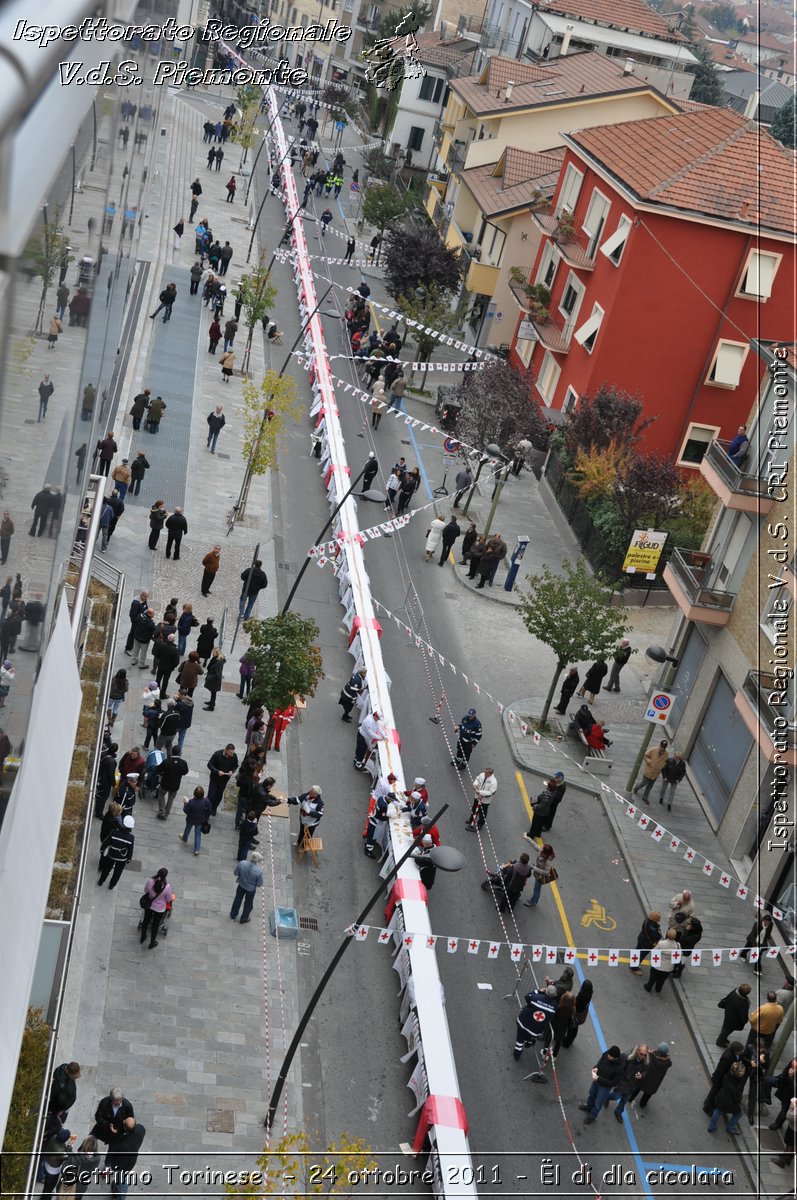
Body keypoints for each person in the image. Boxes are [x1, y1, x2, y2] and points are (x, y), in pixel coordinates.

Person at [579, 1046, 627, 1123]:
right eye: (608, 1054)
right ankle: (588, 1106)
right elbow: (600, 1061)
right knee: (592, 1094)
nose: (608, 1056)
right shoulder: (608, 1053)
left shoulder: (619, 1068)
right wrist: (596, 1067)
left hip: (605, 1087)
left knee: (598, 1102)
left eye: (610, 1056)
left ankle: (592, 1116)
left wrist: (598, 1078)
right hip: (597, 1079)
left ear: (615, 1058)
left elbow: (612, 1083)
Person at [105, 1118, 146, 1199]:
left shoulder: (122, 1145)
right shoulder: (140, 1129)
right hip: (132, 1159)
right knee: (120, 1179)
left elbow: (118, 1162)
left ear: (125, 1128)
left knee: (122, 1182)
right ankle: (116, 1186)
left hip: (124, 1165)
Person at [514, 986, 558, 1059]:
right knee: (529, 1035)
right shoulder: (554, 1006)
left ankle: (517, 1054)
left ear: (546, 991)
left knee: (520, 1039)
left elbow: (527, 997)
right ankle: (529, 1042)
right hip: (535, 1030)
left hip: (523, 1023)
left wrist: (538, 991)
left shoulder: (536, 997)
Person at [707, 1060, 747, 1134]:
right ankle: (730, 1128)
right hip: (728, 1104)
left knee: (718, 1111)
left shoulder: (727, 1075)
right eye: (743, 1072)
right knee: (739, 1113)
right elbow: (737, 1098)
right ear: (739, 1074)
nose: (744, 1073)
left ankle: (711, 1126)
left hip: (720, 1098)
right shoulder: (737, 1085)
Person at [628, 1042, 672, 1110]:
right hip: (654, 1083)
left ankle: (630, 1098)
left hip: (644, 1078)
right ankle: (642, 1104)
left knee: (637, 1088)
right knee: (647, 1094)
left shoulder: (650, 1056)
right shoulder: (667, 1063)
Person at [139, 868, 173, 947]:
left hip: (149, 905)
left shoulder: (150, 881)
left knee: (145, 921)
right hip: (160, 909)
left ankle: (143, 936)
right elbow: (168, 899)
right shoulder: (167, 887)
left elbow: (145, 890)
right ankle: (152, 942)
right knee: (155, 925)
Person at [97, 815, 135, 887]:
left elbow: (107, 842)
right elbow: (130, 850)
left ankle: (101, 881)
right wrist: (129, 858)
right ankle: (112, 885)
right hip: (122, 857)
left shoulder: (114, 832)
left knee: (107, 869)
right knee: (118, 872)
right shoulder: (131, 838)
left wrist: (102, 849)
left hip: (111, 854)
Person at [59, 1135, 100, 1199]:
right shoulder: (97, 1159)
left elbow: (64, 1170)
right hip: (81, 1187)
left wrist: (68, 1158)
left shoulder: (76, 1159)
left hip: (69, 1187)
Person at [230, 850, 264, 923]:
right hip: (250, 890)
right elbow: (259, 884)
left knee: (237, 900)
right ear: (258, 861)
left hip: (241, 885)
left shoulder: (242, 863)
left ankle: (233, 914)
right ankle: (244, 918)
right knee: (248, 904)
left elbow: (235, 873)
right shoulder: (259, 871)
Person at [643, 927, 680, 993]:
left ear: (667, 934)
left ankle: (649, 987)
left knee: (653, 977)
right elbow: (677, 955)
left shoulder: (661, 943)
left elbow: (654, 951)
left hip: (658, 965)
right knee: (662, 979)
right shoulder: (678, 945)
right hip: (668, 967)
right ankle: (658, 988)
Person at [156, 748, 189, 819]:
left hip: (165, 783)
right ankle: (166, 814)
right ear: (180, 753)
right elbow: (185, 772)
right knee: (171, 799)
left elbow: (158, 769)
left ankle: (161, 811)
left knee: (161, 795)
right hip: (175, 785)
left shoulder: (166, 761)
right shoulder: (183, 763)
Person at [206, 743, 238, 814]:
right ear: (226, 750)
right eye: (230, 752)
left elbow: (236, 765)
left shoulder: (234, 756)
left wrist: (231, 771)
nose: (232, 754)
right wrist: (217, 771)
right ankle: (207, 809)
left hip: (224, 780)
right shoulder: (217, 754)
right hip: (214, 778)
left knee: (219, 795)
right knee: (211, 795)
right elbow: (209, 765)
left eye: (233, 752)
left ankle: (214, 808)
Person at [561, 979, 593, 1049]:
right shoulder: (589, 995)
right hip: (581, 1015)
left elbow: (576, 1004)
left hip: (576, 1014)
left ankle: (566, 1042)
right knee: (574, 1028)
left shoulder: (581, 997)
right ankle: (570, 1040)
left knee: (571, 1027)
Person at [40, 1126, 74, 1192]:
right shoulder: (60, 1151)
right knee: (50, 1187)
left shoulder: (54, 1137)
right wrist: (69, 1147)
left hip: (47, 1162)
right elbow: (67, 1157)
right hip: (53, 1170)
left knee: (47, 1184)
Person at [523, 843, 557, 907]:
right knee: (537, 889)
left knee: (536, 890)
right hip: (538, 874)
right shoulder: (543, 853)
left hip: (539, 877)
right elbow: (535, 846)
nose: (541, 850)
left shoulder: (547, 862)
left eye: (543, 850)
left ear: (545, 853)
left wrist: (535, 868)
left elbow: (546, 872)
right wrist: (527, 838)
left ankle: (533, 902)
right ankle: (534, 901)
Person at [180, 786, 211, 854]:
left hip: (190, 819)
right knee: (198, 834)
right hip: (200, 821)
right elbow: (209, 810)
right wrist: (206, 817)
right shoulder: (206, 801)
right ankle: (196, 849)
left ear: (194, 793)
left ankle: (185, 838)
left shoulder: (191, 802)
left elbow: (186, 811)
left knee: (187, 829)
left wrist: (185, 803)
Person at [771, 1096, 797, 1169]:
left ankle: (782, 1161)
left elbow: (790, 1116)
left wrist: (792, 1107)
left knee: (790, 1145)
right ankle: (788, 1159)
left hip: (794, 1129)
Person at [203, 647, 225, 711]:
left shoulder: (218, 662)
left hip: (214, 681)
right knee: (213, 692)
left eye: (213, 652)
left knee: (213, 693)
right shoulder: (215, 659)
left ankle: (211, 706)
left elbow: (218, 674)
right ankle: (212, 702)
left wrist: (210, 677)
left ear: (217, 653)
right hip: (213, 679)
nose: (212, 653)